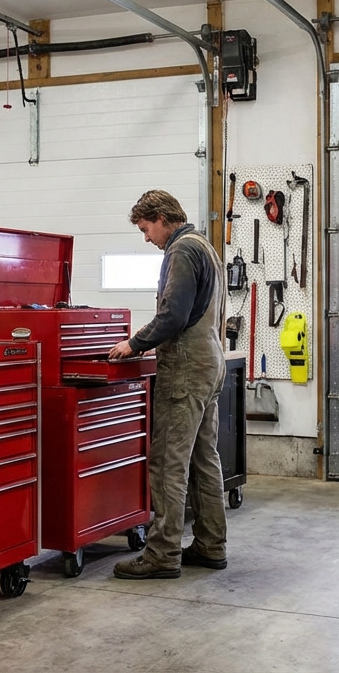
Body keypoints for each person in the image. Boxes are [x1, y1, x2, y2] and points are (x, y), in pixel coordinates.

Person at [108, 189, 228, 579]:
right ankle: (211, 544)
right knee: (203, 459)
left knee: (167, 463)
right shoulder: (205, 246)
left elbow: (174, 314)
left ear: (161, 217)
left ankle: (162, 553)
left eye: (146, 229)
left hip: (186, 369)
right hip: (210, 364)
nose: (146, 238)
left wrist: (134, 342)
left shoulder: (180, 251)